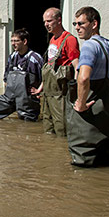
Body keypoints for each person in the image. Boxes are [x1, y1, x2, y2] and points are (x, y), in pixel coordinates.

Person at [66, 7, 109, 167]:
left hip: (88, 114)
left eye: (81, 23)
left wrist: (81, 104)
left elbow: (83, 78)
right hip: (106, 114)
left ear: (94, 23)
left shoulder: (89, 47)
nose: (76, 28)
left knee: (83, 162)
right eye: (75, 23)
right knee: (106, 160)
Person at [31, 7, 80, 136]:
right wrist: (40, 89)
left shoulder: (69, 39)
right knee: (47, 126)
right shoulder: (52, 39)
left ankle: (63, 152)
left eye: (49, 21)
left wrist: (76, 91)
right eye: (44, 22)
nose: (46, 24)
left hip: (61, 94)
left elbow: (77, 66)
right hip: (48, 93)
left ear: (59, 20)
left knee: (61, 128)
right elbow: (49, 67)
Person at [0, 28, 44, 121]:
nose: (13, 43)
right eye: (12, 41)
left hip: (27, 100)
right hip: (10, 97)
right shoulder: (12, 57)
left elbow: (45, 78)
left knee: (28, 125)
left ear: (24, 41)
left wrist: (39, 91)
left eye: (16, 41)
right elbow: (6, 75)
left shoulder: (35, 58)